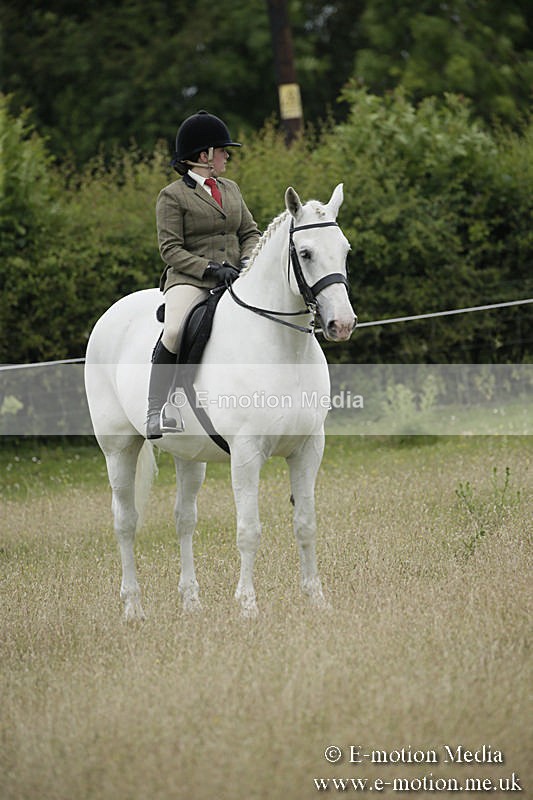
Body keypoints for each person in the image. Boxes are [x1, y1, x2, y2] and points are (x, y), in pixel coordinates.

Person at [146, 110, 261, 439]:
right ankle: (158, 409)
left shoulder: (231, 188)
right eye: (222, 150)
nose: (227, 156)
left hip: (235, 276)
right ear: (204, 155)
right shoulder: (172, 196)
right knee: (173, 331)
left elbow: (250, 232)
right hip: (191, 279)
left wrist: (246, 262)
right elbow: (171, 250)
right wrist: (210, 268)